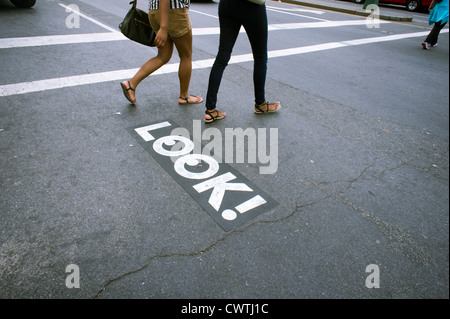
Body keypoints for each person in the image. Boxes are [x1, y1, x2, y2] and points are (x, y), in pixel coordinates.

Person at [203, 0, 281, 123]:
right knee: (260, 57)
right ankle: (260, 104)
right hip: (251, 6)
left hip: (227, 4)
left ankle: (210, 109)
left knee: (222, 56)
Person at [120, 0, 203, 105]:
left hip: (155, 12)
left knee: (163, 56)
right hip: (173, 12)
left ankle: (131, 84)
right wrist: (164, 28)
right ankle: (184, 96)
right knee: (186, 56)